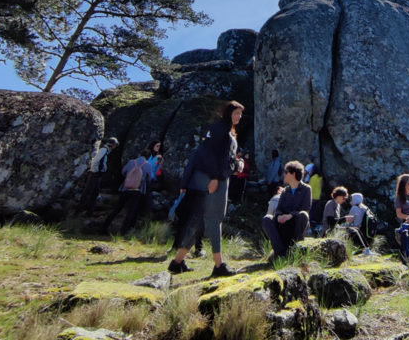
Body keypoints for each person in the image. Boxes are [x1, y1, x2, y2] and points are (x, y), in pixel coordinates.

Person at [166, 100, 245, 278]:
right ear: (228, 113)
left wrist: (237, 163)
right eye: (236, 113)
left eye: (240, 114)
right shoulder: (221, 129)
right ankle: (219, 265)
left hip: (217, 178)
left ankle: (177, 262)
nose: (239, 117)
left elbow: (224, 157)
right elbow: (211, 155)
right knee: (215, 219)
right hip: (216, 180)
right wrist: (215, 177)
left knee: (201, 221)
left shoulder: (226, 130)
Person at [261, 160, 311, 258]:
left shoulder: (306, 189)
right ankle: (280, 252)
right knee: (267, 218)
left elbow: (306, 208)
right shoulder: (285, 191)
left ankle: (295, 249)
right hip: (283, 224)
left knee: (303, 215)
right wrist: (279, 216)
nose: (284, 175)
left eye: (286, 172)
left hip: (296, 223)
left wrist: (290, 215)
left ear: (293, 174)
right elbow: (279, 209)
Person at [103, 147, 155, 235]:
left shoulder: (131, 162)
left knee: (117, 208)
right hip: (138, 190)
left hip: (125, 188)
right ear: (148, 157)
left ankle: (104, 226)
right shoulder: (148, 165)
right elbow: (149, 179)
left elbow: (123, 172)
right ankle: (123, 231)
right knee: (131, 211)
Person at [77, 136, 118, 215]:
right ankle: (81, 210)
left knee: (93, 193)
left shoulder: (105, 150)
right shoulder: (104, 150)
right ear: (112, 145)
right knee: (89, 192)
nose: (115, 146)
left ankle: (87, 211)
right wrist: (97, 170)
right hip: (95, 174)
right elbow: (95, 160)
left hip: (96, 174)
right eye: (114, 145)